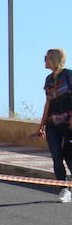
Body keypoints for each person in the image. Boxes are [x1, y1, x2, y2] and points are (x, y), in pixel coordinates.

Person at [37, 48, 72, 202]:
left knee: (69, 157)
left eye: (46, 58)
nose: (44, 60)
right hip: (52, 124)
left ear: (54, 59)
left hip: (68, 123)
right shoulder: (48, 79)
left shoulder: (68, 75)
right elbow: (48, 103)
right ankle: (64, 190)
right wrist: (41, 125)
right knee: (56, 157)